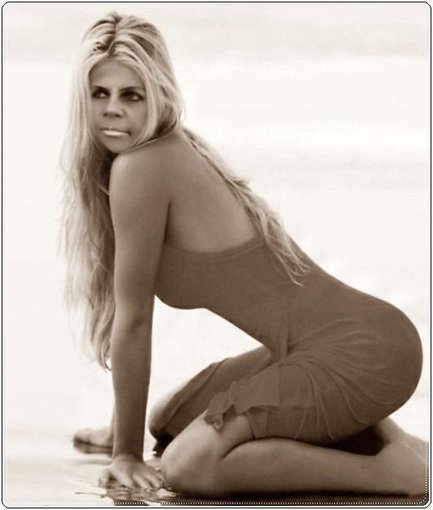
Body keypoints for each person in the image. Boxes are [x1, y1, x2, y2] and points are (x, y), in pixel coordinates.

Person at [63, 12, 426, 497]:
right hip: (343, 345)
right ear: (81, 98)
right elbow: (127, 310)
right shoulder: (161, 154)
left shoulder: (143, 166)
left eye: (132, 95)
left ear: (158, 95)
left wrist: (126, 453)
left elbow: (134, 320)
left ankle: (396, 473)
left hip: (364, 353)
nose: (113, 110)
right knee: (169, 418)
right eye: (99, 93)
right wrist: (122, 430)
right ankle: (384, 437)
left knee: (187, 465)